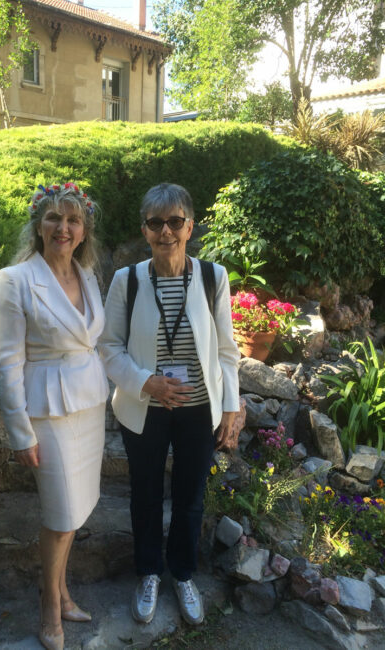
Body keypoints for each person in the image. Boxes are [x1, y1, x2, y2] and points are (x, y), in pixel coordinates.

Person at [99, 183, 240, 626]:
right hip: (145, 407)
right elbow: (108, 347)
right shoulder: (129, 280)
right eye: (157, 223)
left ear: (190, 226)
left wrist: (231, 406)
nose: (167, 232)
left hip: (199, 409)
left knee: (190, 496)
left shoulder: (213, 277)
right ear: (145, 230)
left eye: (175, 222)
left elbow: (227, 350)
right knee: (144, 494)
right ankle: (148, 573)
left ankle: (181, 574)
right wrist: (147, 383)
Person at [0, 182, 109, 650]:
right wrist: (20, 433)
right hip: (48, 414)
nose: (63, 228)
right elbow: (7, 363)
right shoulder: (15, 280)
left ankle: (62, 594)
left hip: (89, 405)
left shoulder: (89, 276)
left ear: (84, 231)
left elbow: (93, 340)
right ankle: (48, 606)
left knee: (75, 512)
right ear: (38, 225)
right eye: (54, 218)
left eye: (73, 220)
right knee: (60, 517)